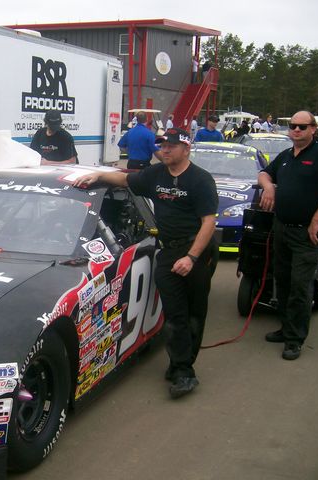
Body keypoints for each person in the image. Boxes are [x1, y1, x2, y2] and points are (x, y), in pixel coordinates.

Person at [73, 128, 218, 399]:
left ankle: (183, 364)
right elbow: (126, 180)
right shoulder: (156, 174)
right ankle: (183, 371)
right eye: (162, 145)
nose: (165, 150)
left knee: (194, 314)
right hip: (168, 252)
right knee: (175, 315)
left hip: (196, 252)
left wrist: (192, 257)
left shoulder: (200, 180)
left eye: (172, 146)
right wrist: (100, 175)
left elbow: (209, 223)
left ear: (186, 149)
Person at [258, 111, 318, 360]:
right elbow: (265, 173)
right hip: (282, 228)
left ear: (313, 130)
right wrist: (269, 188)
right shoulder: (285, 156)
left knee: (300, 286)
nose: (296, 130)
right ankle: (286, 328)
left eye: (302, 127)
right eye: (293, 126)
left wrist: (317, 219)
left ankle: (295, 339)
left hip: (307, 233)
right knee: (283, 281)